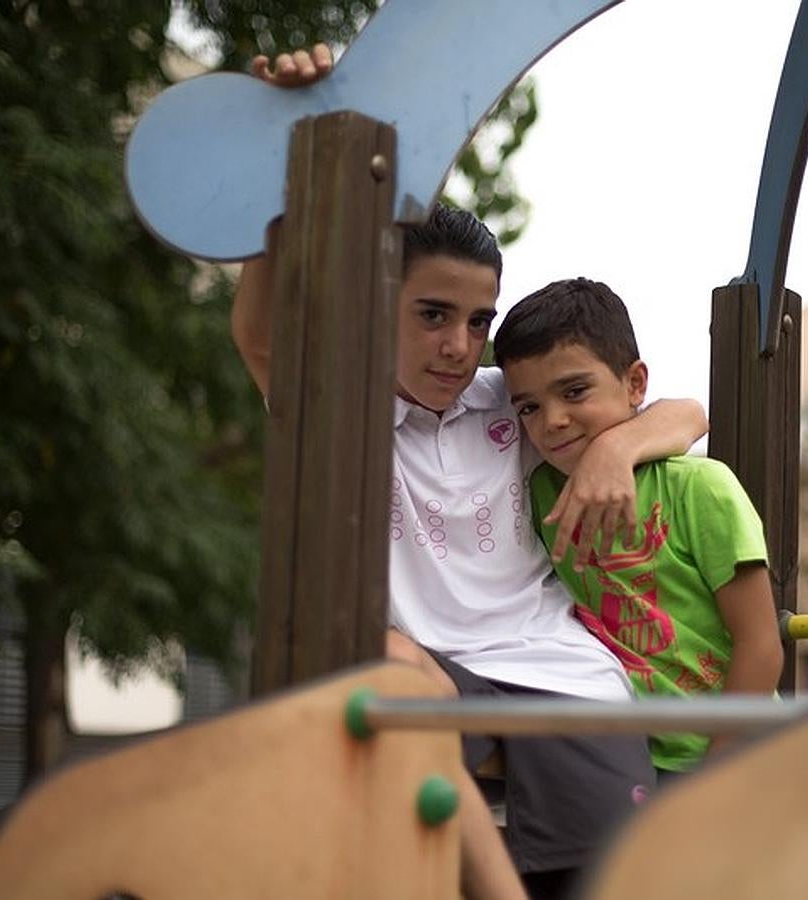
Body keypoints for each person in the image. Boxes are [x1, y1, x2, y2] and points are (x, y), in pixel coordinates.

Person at [232, 49, 709, 900]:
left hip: (552, 666)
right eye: (432, 316)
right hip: (423, 668)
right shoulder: (339, 407)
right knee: (384, 673)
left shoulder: (510, 402)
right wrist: (284, 152)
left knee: (607, 871)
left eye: (478, 319)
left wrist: (613, 448)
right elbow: (263, 341)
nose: (459, 344)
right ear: (383, 304)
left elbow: (685, 412)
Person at [493, 277, 785, 779]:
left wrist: (715, 773)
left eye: (575, 391)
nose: (553, 421)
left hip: (743, 757)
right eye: (529, 407)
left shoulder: (700, 489)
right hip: (629, 762)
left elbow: (760, 644)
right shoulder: (536, 490)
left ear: (635, 384)